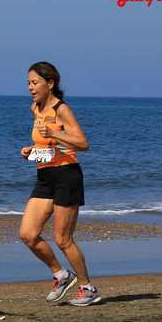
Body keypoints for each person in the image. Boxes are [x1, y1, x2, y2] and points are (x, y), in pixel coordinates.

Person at [19, 61, 100, 306]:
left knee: (63, 239)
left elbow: (83, 144)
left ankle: (88, 287)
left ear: (50, 83)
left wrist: (54, 133)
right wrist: (32, 153)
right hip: (45, 176)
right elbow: (49, 150)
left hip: (67, 176)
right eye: (28, 83)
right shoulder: (35, 107)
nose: (30, 88)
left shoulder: (61, 109)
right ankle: (61, 274)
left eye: (35, 83)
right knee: (28, 234)